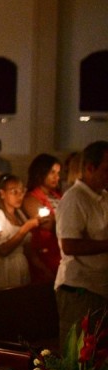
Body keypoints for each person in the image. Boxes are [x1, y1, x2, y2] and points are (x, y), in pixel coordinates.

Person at [54, 140, 108, 347]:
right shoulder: (74, 198)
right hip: (80, 289)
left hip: (100, 287)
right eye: (106, 170)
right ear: (90, 168)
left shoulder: (103, 197)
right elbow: (69, 245)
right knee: (78, 352)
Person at [0, 174, 40, 287]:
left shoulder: (20, 215)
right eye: (14, 192)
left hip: (20, 266)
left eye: (22, 191)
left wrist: (43, 268)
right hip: (4, 268)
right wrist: (25, 228)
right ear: (2, 193)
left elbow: (28, 251)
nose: (20, 196)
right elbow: (3, 250)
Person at [22, 154, 63, 283]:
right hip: (44, 253)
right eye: (52, 172)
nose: (57, 177)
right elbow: (48, 224)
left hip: (60, 252)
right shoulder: (31, 198)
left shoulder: (58, 195)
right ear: (40, 173)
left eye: (58, 173)